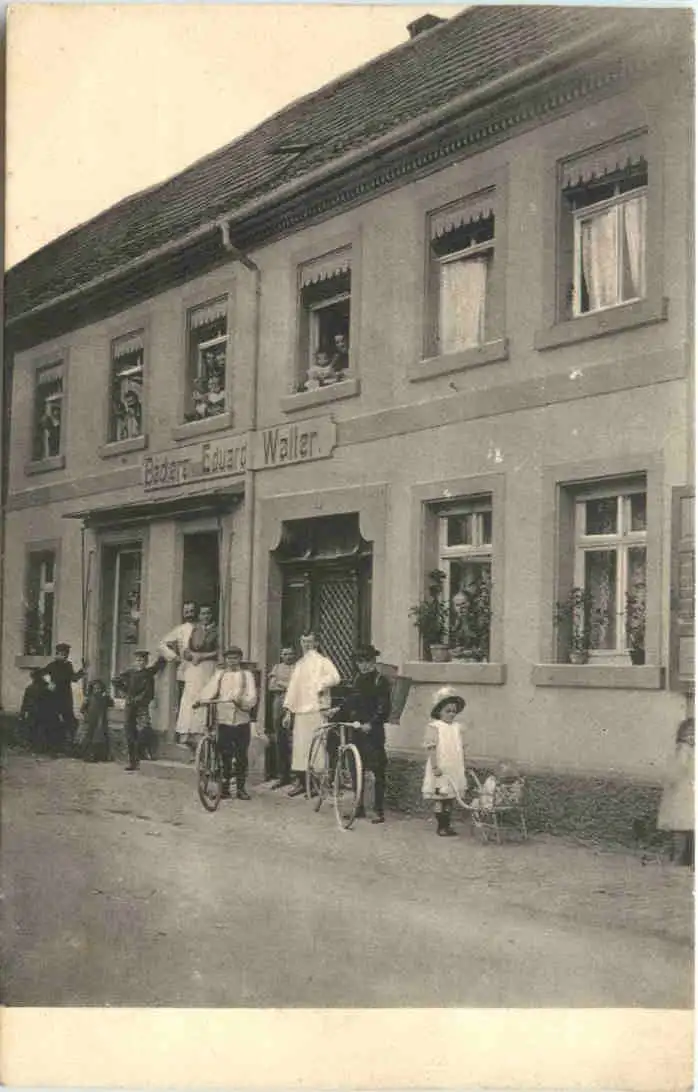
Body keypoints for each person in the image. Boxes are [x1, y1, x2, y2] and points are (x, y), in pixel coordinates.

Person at [329, 644, 391, 824]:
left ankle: (378, 810)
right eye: (360, 662)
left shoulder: (380, 681)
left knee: (377, 770)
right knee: (356, 770)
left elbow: (384, 707)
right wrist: (337, 710)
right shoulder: (357, 679)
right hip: (356, 731)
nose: (364, 666)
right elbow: (351, 701)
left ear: (373, 661)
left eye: (367, 661)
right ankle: (359, 807)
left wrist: (371, 724)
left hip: (373, 732)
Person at [195, 646, 257, 800]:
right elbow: (210, 689)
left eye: (235, 658)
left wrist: (242, 701)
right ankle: (225, 788)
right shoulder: (220, 674)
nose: (232, 661)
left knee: (241, 754)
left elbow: (252, 695)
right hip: (223, 718)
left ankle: (241, 788)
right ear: (226, 659)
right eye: (229, 658)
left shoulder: (246, 675)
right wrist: (201, 700)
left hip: (241, 719)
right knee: (225, 754)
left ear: (240, 658)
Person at [283, 632, 340, 797]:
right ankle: (301, 782)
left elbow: (336, 677)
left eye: (310, 642)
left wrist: (320, 684)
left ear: (316, 643)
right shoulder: (299, 664)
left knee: (318, 746)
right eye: (303, 642)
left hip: (317, 709)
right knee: (300, 747)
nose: (306, 645)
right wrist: (288, 711)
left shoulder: (324, 661)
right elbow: (293, 688)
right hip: (301, 711)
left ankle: (319, 785)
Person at [422, 686, 468, 837]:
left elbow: (460, 748)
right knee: (440, 798)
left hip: (453, 767)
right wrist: (435, 766)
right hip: (440, 768)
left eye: (454, 711)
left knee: (450, 798)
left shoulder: (457, 727)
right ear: (439, 711)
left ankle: (447, 824)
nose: (451, 714)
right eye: (447, 711)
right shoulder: (435, 727)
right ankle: (441, 826)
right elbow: (431, 749)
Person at [175, 604, 219, 753]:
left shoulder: (217, 630)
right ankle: (188, 732)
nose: (205, 616)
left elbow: (219, 651)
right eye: (203, 614)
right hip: (194, 667)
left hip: (209, 667)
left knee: (205, 695)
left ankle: (203, 731)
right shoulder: (196, 630)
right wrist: (192, 656)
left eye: (208, 613)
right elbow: (186, 650)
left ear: (212, 615)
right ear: (199, 616)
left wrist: (203, 656)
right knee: (191, 696)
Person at [113, 650, 163, 771]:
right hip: (130, 705)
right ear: (135, 661)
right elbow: (115, 681)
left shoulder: (148, 673)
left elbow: (158, 665)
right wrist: (126, 692)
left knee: (144, 729)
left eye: (143, 660)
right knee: (129, 731)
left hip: (142, 706)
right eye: (138, 660)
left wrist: (164, 653)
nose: (140, 662)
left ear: (146, 662)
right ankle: (132, 762)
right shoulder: (130, 673)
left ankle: (143, 753)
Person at [658, 716, 695, 868]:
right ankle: (678, 861)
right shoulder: (682, 751)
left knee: (689, 830)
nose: (691, 737)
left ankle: (687, 861)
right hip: (682, 796)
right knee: (681, 830)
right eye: (688, 733)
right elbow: (674, 773)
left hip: (690, 796)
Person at [42, 643, 86, 751]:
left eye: (66, 654)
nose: (64, 656)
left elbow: (74, 678)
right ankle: (52, 747)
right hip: (53, 697)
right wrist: (49, 683)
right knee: (53, 721)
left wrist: (83, 670)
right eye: (62, 653)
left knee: (69, 720)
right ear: (57, 654)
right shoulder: (52, 665)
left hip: (65, 696)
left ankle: (69, 746)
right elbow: (42, 674)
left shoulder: (68, 665)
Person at [159, 601, 197, 714]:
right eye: (186, 612)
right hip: (185, 668)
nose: (189, 614)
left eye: (192, 611)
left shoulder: (202, 627)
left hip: (202, 667)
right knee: (183, 700)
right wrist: (176, 657)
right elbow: (162, 644)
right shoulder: (180, 629)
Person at [267, 647, 296, 789]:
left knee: (294, 739)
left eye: (290, 653)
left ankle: (296, 775)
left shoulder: (297, 668)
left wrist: (281, 683)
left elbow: (298, 687)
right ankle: (282, 775)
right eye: (285, 653)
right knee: (280, 738)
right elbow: (271, 686)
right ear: (281, 655)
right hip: (279, 703)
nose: (288, 656)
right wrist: (289, 685)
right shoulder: (276, 668)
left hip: (294, 703)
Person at [80, 680, 114, 762]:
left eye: (99, 688)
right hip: (92, 720)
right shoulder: (89, 698)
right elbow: (82, 709)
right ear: (92, 689)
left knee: (104, 737)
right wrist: (86, 717)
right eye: (95, 688)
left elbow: (111, 704)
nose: (97, 690)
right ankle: (89, 756)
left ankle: (104, 756)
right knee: (90, 738)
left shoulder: (104, 698)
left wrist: (108, 697)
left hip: (102, 720)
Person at [19, 669, 53, 752]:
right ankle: (38, 747)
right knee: (38, 729)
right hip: (40, 712)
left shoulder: (31, 688)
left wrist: (22, 713)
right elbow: (25, 701)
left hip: (35, 711)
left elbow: (25, 702)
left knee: (35, 729)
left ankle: (35, 746)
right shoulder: (45, 688)